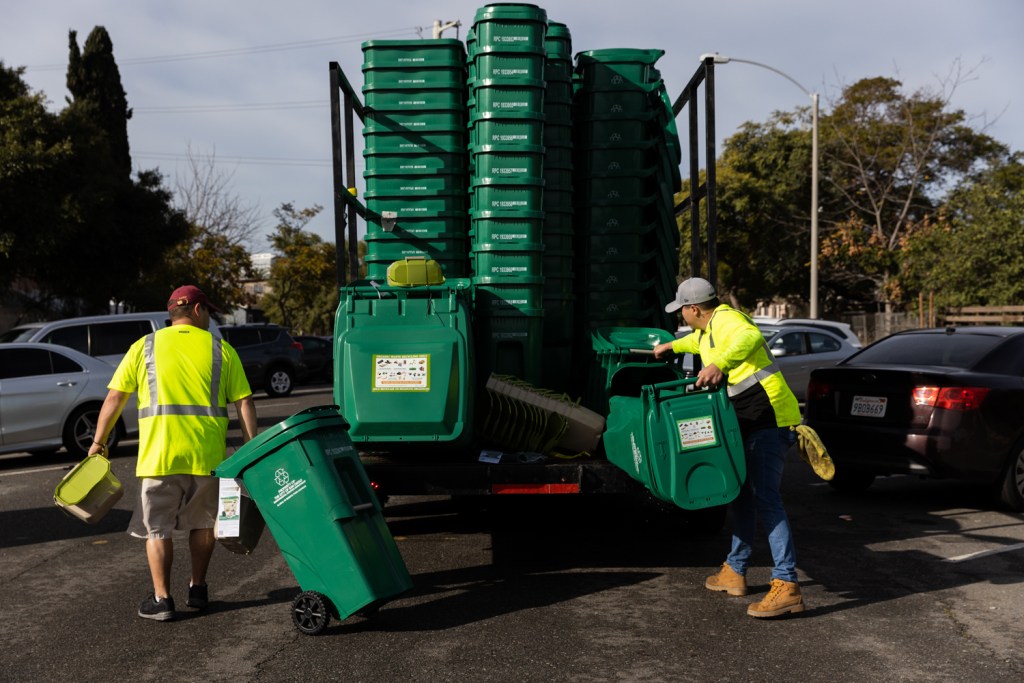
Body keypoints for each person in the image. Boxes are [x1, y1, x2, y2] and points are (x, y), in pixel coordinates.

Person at [88, 285, 258, 622]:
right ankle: (198, 588)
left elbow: (114, 399)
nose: (209, 317)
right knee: (203, 524)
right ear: (197, 311)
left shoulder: (144, 346)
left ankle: (162, 599)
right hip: (207, 455)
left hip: (159, 456)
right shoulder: (220, 350)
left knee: (157, 529)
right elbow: (244, 403)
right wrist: (254, 447)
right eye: (208, 311)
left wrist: (97, 442)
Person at [653, 277, 805, 618]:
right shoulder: (708, 331)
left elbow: (750, 336)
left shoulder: (726, 319)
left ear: (694, 309)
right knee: (742, 495)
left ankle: (787, 584)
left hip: (769, 418)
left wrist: (719, 364)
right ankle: (735, 569)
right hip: (749, 421)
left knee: (766, 498)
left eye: (682, 312)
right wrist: (669, 347)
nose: (682, 317)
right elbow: (696, 342)